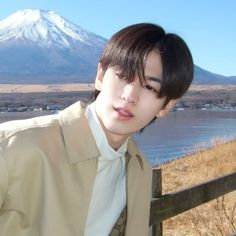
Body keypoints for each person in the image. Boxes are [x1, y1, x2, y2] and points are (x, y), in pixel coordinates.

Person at [0, 23, 193, 236]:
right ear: (100, 75)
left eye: (150, 87)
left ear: (166, 105)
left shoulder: (139, 170)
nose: (129, 95)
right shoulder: (11, 148)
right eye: (123, 75)